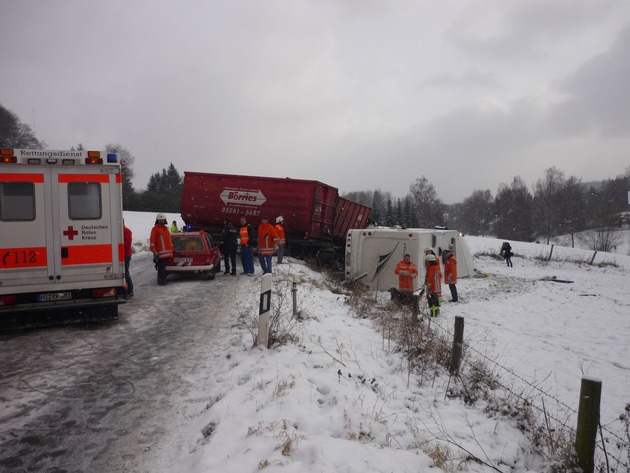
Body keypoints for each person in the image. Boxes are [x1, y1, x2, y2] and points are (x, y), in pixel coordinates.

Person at [150, 213, 174, 285]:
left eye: (162, 220)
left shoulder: (166, 229)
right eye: (159, 220)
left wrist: (172, 250)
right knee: (161, 269)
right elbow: (152, 241)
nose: (161, 221)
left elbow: (169, 240)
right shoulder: (155, 229)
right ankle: (161, 281)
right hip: (160, 254)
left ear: (165, 220)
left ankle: (163, 280)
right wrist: (154, 251)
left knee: (163, 268)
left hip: (167, 254)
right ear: (157, 221)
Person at [123, 221, 134, 299]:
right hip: (122, 255)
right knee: (124, 273)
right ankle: (127, 290)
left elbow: (128, 243)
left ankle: (130, 290)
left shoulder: (126, 231)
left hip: (126, 255)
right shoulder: (120, 230)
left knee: (126, 273)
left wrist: (118, 247)